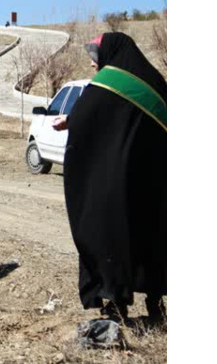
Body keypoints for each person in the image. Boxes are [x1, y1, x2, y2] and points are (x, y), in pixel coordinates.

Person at [52, 33, 166, 322]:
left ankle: (115, 303)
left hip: (115, 182)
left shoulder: (108, 83)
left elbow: (89, 116)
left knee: (107, 232)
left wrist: (70, 121)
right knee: (151, 236)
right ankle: (156, 303)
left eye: (94, 58)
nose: (93, 65)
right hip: (151, 183)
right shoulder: (156, 82)